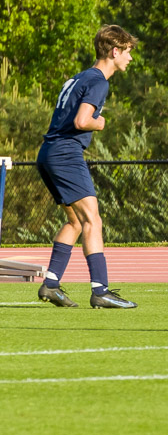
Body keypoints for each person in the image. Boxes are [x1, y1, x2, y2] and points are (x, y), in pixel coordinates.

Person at [35, 25, 139, 309]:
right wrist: (100, 122)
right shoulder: (99, 81)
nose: (130, 58)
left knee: (77, 222)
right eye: (128, 52)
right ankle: (100, 290)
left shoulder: (79, 77)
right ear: (115, 51)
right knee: (94, 220)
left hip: (48, 153)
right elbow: (82, 121)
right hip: (66, 154)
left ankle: (51, 285)